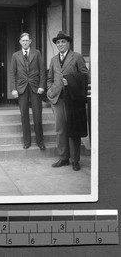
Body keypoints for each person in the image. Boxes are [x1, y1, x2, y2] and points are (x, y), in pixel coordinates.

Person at [47, 31, 89, 171]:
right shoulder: (53, 59)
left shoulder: (76, 57)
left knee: (73, 130)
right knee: (60, 129)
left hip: (73, 99)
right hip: (57, 98)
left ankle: (75, 160)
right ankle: (63, 158)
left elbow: (84, 75)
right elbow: (50, 78)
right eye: (58, 42)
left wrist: (71, 81)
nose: (60, 44)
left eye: (63, 42)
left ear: (68, 43)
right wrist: (50, 90)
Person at [10, 32, 46, 150]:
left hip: (35, 87)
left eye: (27, 40)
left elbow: (42, 70)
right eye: (23, 40)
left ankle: (40, 141)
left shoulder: (37, 53)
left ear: (30, 41)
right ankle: (27, 141)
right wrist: (14, 88)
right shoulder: (15, 55)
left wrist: (42, 86)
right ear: (20, 42)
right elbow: (12, 73)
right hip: (21, 87)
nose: (25, 42)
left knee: (37, 115)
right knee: (24, 114)